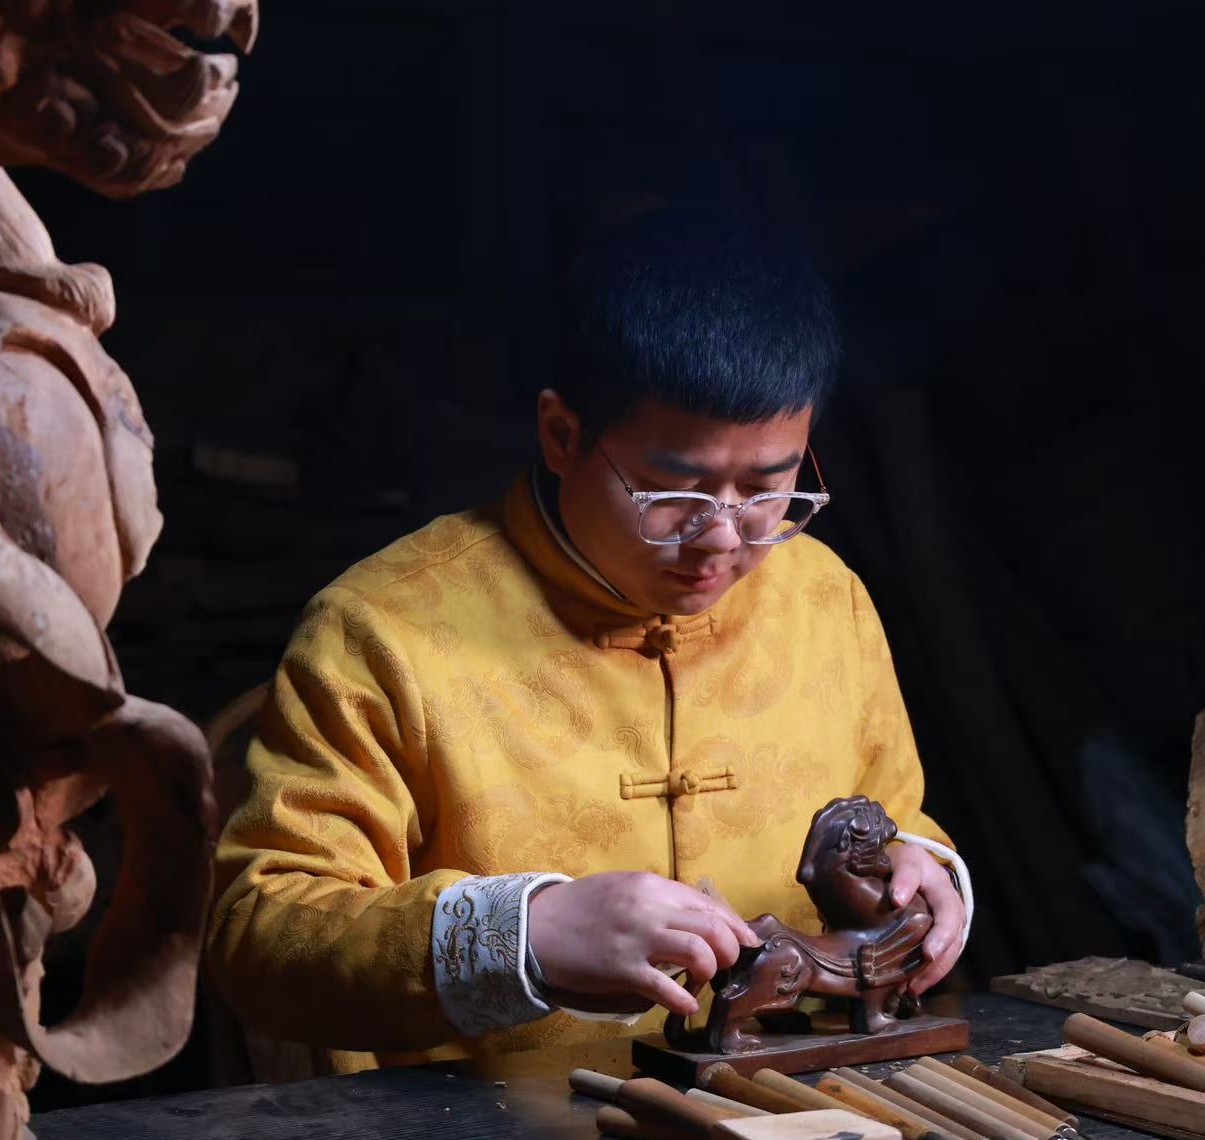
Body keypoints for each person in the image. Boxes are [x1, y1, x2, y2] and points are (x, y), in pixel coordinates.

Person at [206, 205, 970, 1074]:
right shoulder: (382, 631)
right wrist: (525, 936)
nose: (724, 538)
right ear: (562, 435)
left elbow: (897, 818)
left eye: (770, 488)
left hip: (801, 1112)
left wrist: (924, 876)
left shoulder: (825, 599)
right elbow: (260, 935)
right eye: (673, 493)